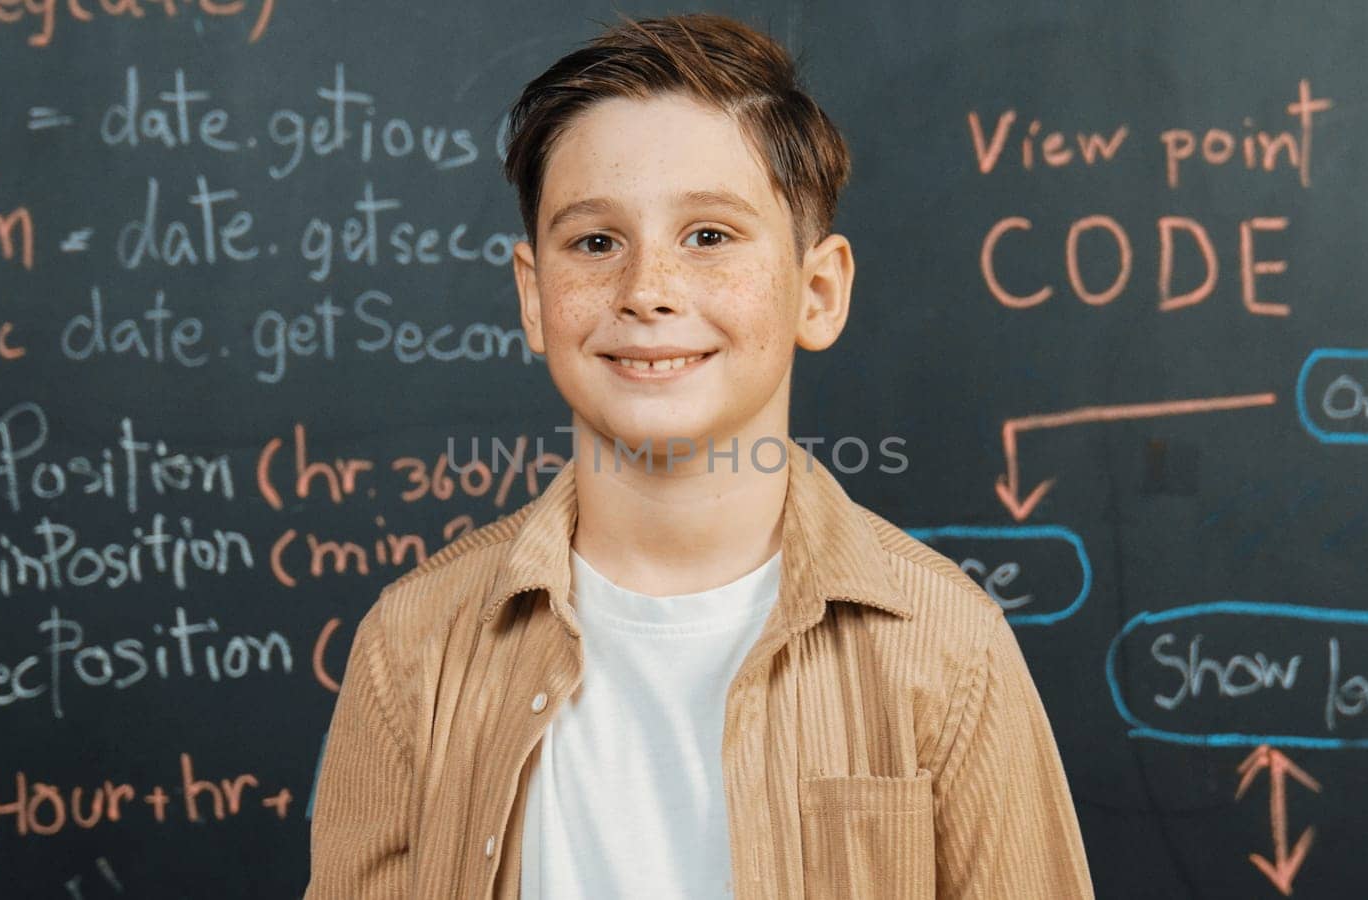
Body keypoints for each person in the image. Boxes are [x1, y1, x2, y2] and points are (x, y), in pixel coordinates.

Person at [306, 11, 1094, 899]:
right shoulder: (412, 649)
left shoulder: (949, 651)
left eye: (709, 236)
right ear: (534, 297)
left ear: (819, 291)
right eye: (596, 242)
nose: (647, 291)